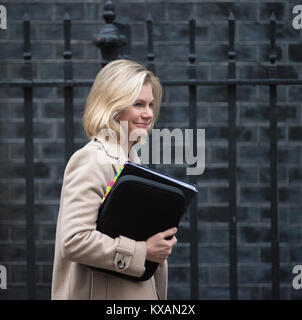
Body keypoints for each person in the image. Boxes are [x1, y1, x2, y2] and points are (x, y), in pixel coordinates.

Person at [51, 59, 178, 300]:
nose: (149, 114)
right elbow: (74, 241)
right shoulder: (92, 159)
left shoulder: (130, 159)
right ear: (112, 106)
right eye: (138, 104)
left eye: (151, 104)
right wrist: (144, 251)